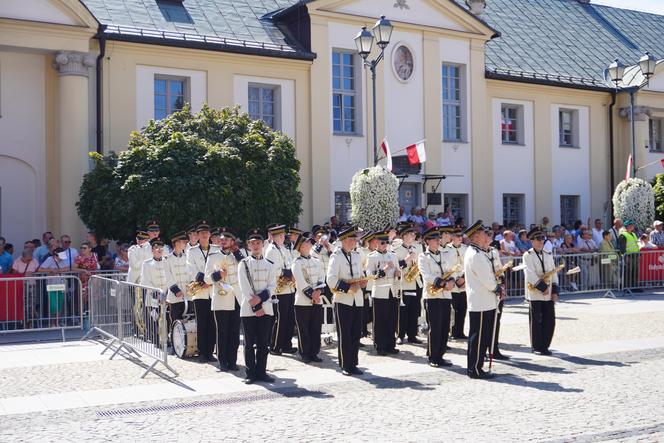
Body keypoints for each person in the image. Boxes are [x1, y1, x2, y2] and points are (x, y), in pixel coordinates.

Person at [464, 221, 505, 379]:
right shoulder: (475, 254)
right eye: (482, 233)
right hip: (480, 300)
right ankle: (474, 369)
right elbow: (487, 279)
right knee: (478, 337)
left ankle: (478, 367)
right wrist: (497, 289)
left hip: (485, 300)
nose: (485, 236)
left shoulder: (480, 252)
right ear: (475, 236)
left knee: (483, 336)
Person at [238, 228, 277, 384]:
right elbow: (244, 287)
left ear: (262, 244)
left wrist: (260, 299)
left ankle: (261, 372)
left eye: (258, 243)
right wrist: (255, 305)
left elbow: (272, 286)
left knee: (263, 343)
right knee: (249, 343)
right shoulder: (243, 264)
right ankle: (250, 373)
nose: (255, 246)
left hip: (266, 308)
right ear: (248, 245)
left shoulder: (270, 264)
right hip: (248, 309)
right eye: (252, 243)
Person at [327, 225, 365, 376]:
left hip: (357, 300)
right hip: (343, 300)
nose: (353, 242)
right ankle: (345, 364)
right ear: (343, 240)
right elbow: (330, 280)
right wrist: (348, 288)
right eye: (350, 239)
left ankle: (353, 363)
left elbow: (360, 274)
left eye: (354, 239)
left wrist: (363, 282)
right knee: (345, 334)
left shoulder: (356, 255)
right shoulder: (335, 256)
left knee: (356, 333)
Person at [205, 227, 244, 371]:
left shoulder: (238, 256)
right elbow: (206, 278)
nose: (223, 242)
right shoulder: (213, 256)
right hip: (221, 299)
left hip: (236, 298)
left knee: (234, 333)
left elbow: (246, 268)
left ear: (232, 241)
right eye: (221, 240)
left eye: (226, 239)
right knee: (222, 332)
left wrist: (237, 252)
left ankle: (232, 361)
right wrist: (217, 275)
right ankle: (222, 361)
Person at [418, 226, 456, 368]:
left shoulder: (444, 254)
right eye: (434, 239)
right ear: (427, 241)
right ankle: (433, 356)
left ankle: (441, 355)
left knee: (445, 326)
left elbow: (450, 270)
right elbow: (426, 275)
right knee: (435, 327)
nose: (438, 240)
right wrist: (442, 283)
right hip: (432, 296)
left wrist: (452, 280)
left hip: (446, 295)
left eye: (438, 238)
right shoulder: (423, 257)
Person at [523, 227, 559, 355]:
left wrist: (555, 291)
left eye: (542, 239)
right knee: (536, 321)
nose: (541, 241)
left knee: (550, 320)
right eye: (538, 239)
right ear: (532, 241)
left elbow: (554, 273)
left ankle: (545, 345)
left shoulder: (548, 255)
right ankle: (537, 347)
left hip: (548, 293)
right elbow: (529, 273)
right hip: (535, 293)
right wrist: (542, 287)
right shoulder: (527, 255)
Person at [186, 220, 219, 363]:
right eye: (201, 233)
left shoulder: (216, 250)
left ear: (210, 235)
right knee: (201, 323)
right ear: (198, 235)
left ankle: (210, 352)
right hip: (199, 292)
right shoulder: (191, 251)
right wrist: (203, 281)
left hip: (213, 292)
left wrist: (210, 281)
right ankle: (202, 352)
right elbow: (191, 268)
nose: (204, 235)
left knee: (212, 323)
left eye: (207, 232)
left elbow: (220, 267)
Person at [292, 232, 326, 363]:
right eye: (306, 242)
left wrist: (318, 292)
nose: (309, 243)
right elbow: (300, 282)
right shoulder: (297, 263)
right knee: (304, 329)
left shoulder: (316, 261)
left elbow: (321, 277)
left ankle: (314, 352)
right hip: (302, 301)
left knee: (315, 327)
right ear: (301, 246)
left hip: (317, 300)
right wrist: (312, 294)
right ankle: (305, 353)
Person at [367, 229, 400, 356]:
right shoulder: (372, 257)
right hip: (379, 291)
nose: (384, 244)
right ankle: (380, 345)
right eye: (382, 242)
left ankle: (390, 344)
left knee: (391, 319)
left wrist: (398, 273)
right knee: (380, 320)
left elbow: (398, 272)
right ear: (376, 243)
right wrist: (384, 270)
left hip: (392, 291)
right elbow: (370, 276)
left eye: (386, 242)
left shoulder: (393, 255)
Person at [265, 224, 297, 355]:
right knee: (281, 318)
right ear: (273, 237)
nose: (283, 237)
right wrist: (289, 273)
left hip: (289, 288)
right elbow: (272, 269)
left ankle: (286, 344)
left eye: (283, 235)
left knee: (289, 318)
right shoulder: (271, 250)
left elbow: (290, 263)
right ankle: (275, 346)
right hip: (279, 290)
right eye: (280, 235)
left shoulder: (283, 248)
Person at [393, 222, 423, 344]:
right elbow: (396, 268)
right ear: (404, 236)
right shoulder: (397, 250)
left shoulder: (417, 248)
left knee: (414, 310)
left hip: (416, 283)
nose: (413, 236)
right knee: (403, 311)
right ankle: (400, 335)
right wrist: (407, 259)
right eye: (411, 234)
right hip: (403, 284)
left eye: (414, 234)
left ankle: (412, 335)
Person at [164, 232, 190, 329]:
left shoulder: (187, 257)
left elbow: (190, 273)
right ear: (177, 243)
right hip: (174, 296)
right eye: (184, 242)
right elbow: (168, 276)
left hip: (187, 293)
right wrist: (176, 290)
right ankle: (173, 340)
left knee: (188, 319)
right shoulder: (167, 259)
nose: (185, 244)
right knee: (175, 319)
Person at [37, 247, 66, 326]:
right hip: (52, 284)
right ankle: (52, 322)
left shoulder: (62, 260)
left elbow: (66, 268)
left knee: (59, 303)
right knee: (53, 304)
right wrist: (50, 270)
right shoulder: (50, 259)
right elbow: (40, 269)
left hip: (61, 283)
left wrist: (57, 270)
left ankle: (57, 322)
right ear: (56, 255)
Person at [448, 227, 468, 340]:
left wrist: (464, 278)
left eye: (461, 236)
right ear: (452, 237)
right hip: (454, 282)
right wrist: (457, 279)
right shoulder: (447, 249)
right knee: (454, 309)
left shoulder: (465, 248)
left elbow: (468, 265)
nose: (459, 238)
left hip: (464, 282)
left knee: (463, 308)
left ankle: (460, 331)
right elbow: (449, 266)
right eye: (457, 236)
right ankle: (453, 331)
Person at [618, 220, 640, 290]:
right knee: (628, 272)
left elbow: (636, 244)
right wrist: (625, 256)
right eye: (630, 225)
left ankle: (634, 286)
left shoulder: (633, 234)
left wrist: (638, 254)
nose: (632, 227)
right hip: (628, 256)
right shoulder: (623, 235)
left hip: (635, 255)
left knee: (635, 271)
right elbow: (622, 248)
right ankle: (627, 287)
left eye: (632, 225)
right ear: (626, 227)